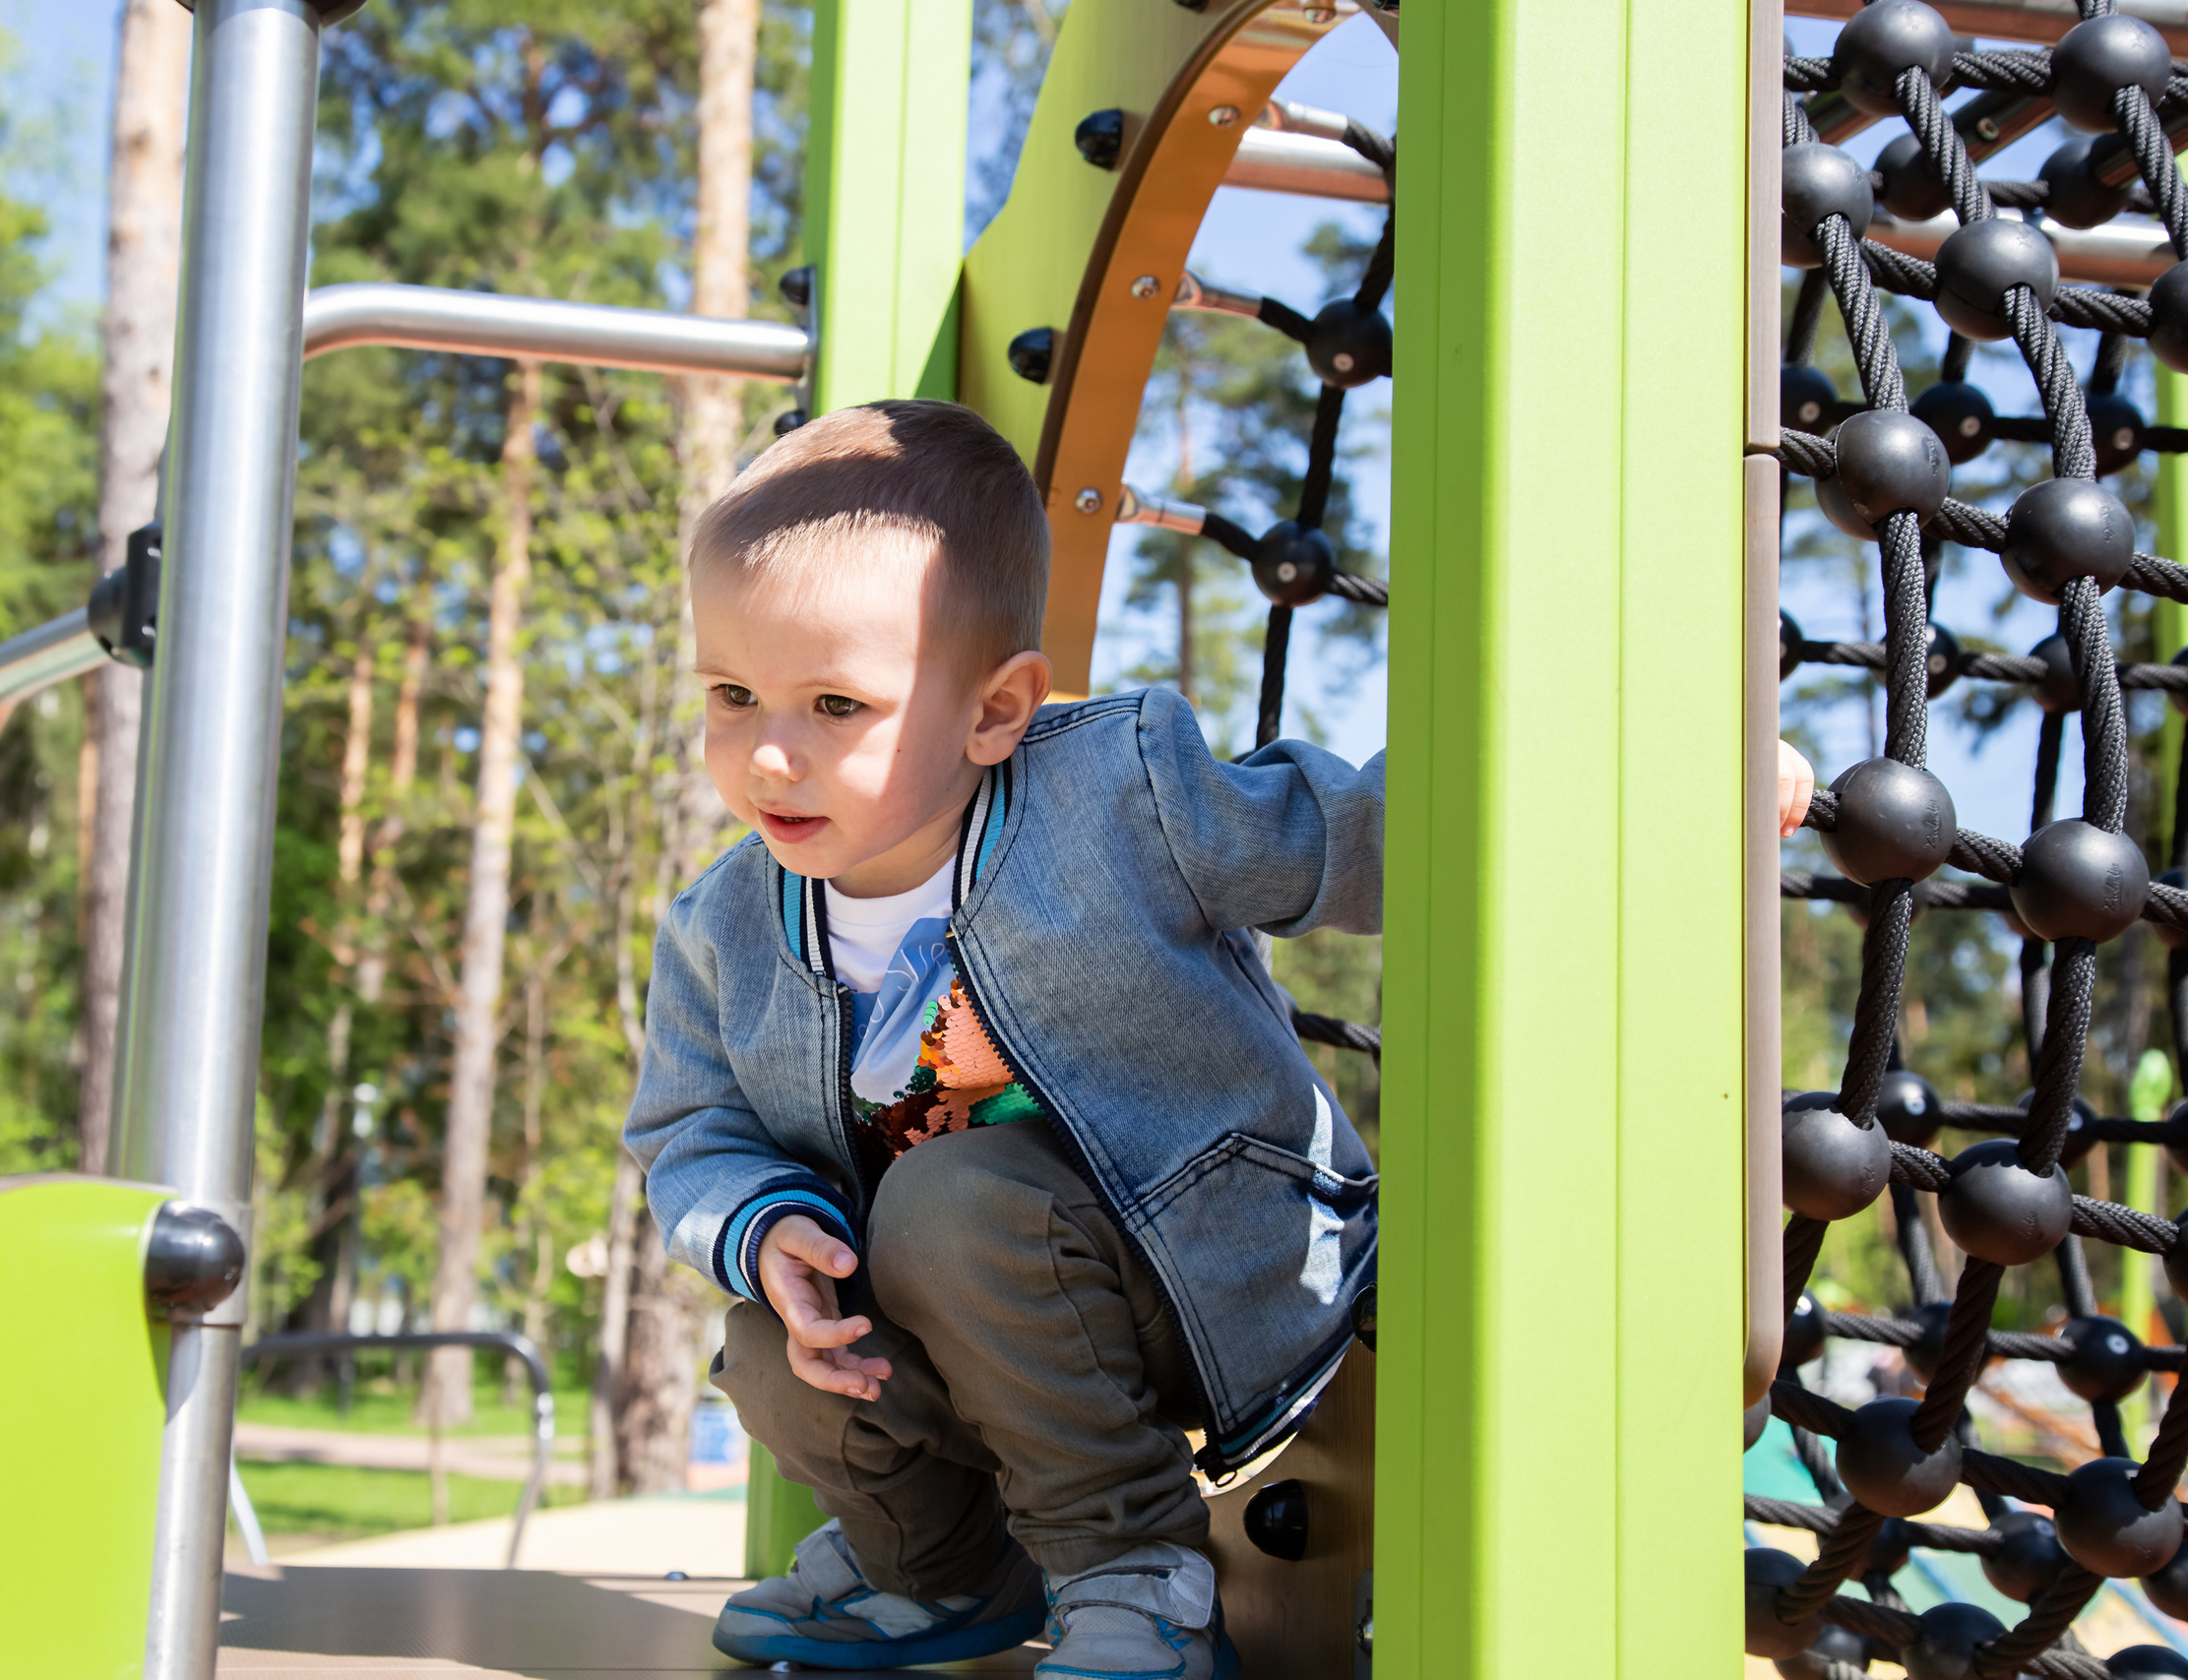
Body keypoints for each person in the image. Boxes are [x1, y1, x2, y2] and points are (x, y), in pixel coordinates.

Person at [625, 400, 1817, 1680]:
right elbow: (689, 1132)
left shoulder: (1118, 800)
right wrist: (757, 1223)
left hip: (1213, 1269)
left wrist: (1666, 784)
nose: (768, 754)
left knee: (954, 1198)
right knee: (770, 1342)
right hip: (977, 1335)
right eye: (733, 694)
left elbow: (1371, 833)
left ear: (996, 711)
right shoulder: (724, 928)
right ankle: (938, 1574)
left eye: (834, 705)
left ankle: (1137, 1570)